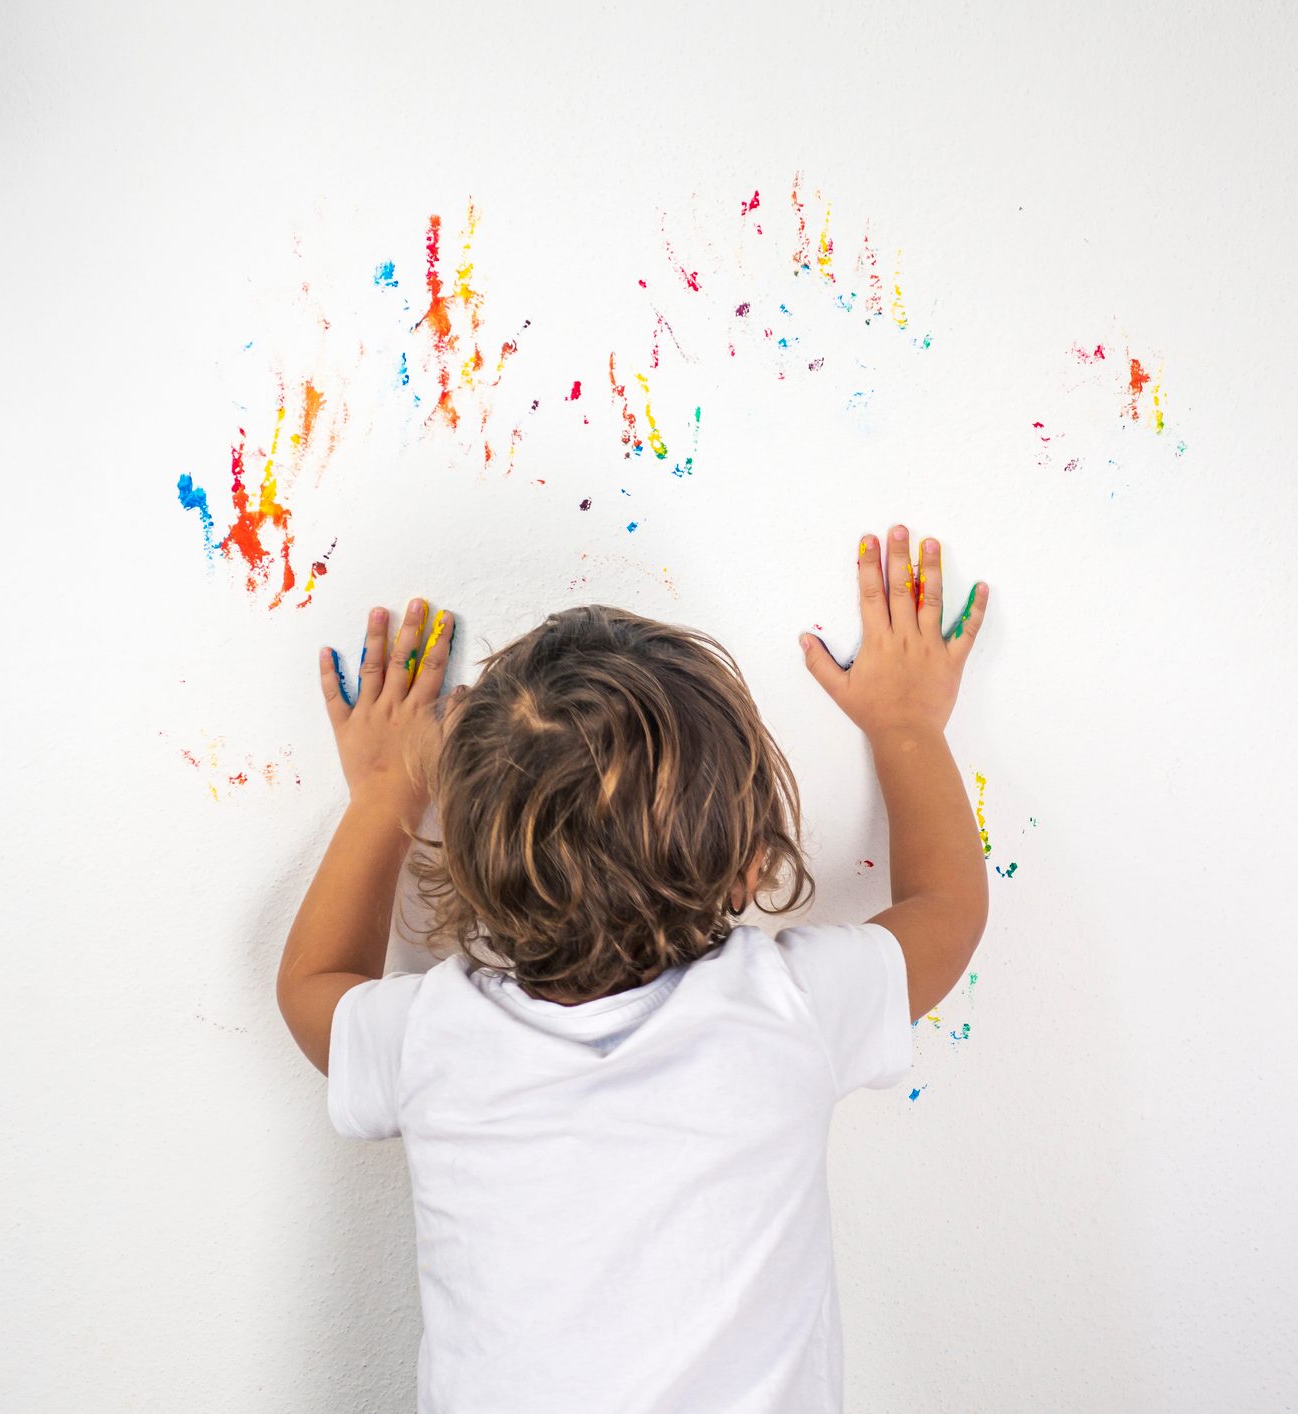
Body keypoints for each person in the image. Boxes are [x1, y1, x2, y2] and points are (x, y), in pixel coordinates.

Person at [275, 523, 991, 1413]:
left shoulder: (432, 1039)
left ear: (463, 866)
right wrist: (905, 723)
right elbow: (948, 913)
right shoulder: (788, 1007)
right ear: (746, 864)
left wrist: (386, 791)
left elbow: (310, 987)